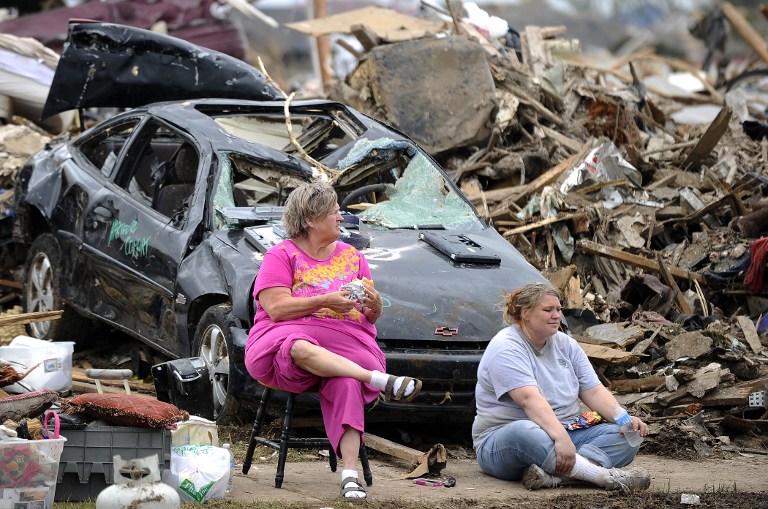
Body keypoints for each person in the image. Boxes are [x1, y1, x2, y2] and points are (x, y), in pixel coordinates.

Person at [245, 181, 422, 500]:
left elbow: (370, 315)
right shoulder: (280, 255)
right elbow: (275, 308)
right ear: (311, 220)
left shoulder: (353, 257)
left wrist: (374, 305)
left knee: (347, 381)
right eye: (334, 211)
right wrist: (324, 301)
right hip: (289, 345)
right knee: (299, 346)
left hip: (347, 344)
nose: (341, 216)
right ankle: (379, 379)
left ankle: (350, 475)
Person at [472, 282, 651, 492]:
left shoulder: (566, 344)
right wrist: (560, 437)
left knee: (627, 436)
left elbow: (593, 390)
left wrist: (625, 419)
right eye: (548, 310)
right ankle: (604, 477)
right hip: (505, 440)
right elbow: (530, 400)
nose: (557, 315)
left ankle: (556, 478)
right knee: (526, 432)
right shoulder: (506, 347)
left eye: (558, 309)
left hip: (567, 431)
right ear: (526, 313)